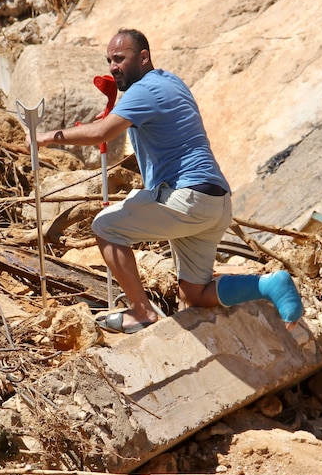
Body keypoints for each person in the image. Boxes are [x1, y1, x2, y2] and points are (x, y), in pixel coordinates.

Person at [29, 28, 303, 333]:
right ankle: (270, 285)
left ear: (143, 56)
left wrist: (46, 137)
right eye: (109, 60)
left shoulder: (143, 91)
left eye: (119, 58)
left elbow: (101, 134)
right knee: (194, 294)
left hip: (186, 197)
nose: (112, 66)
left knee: (106, 227)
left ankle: (142, 312)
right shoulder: (171, 82)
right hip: (215, 202)